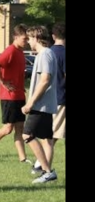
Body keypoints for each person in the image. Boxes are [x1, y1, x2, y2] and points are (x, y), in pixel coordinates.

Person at [0, 25, 29, 164]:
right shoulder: (11, 50)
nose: (26, 41)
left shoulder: (20, 52)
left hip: (19, 95)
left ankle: (23, 159)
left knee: (20, 129)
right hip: (9, 97)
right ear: (16, 37)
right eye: (24, 39)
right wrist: (3, 82)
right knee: (8, 129)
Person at [22, 25, 60, 184]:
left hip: (40, 105)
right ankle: (47, 172)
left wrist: (30, 102)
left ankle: (47, 171)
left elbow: (44, 80)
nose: (28, 42)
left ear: (37, 38)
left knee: (27, 135)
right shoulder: (48, 53)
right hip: (46, 105)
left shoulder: (44, 54)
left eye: (30, 38)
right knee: (47, 139)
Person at [45, 22, 65, 172]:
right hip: (62, 97)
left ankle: (44, 167)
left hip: (50, 98)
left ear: (53, 36)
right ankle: (43, 165)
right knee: (52, 135)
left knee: (50, 136)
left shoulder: (48, 52)